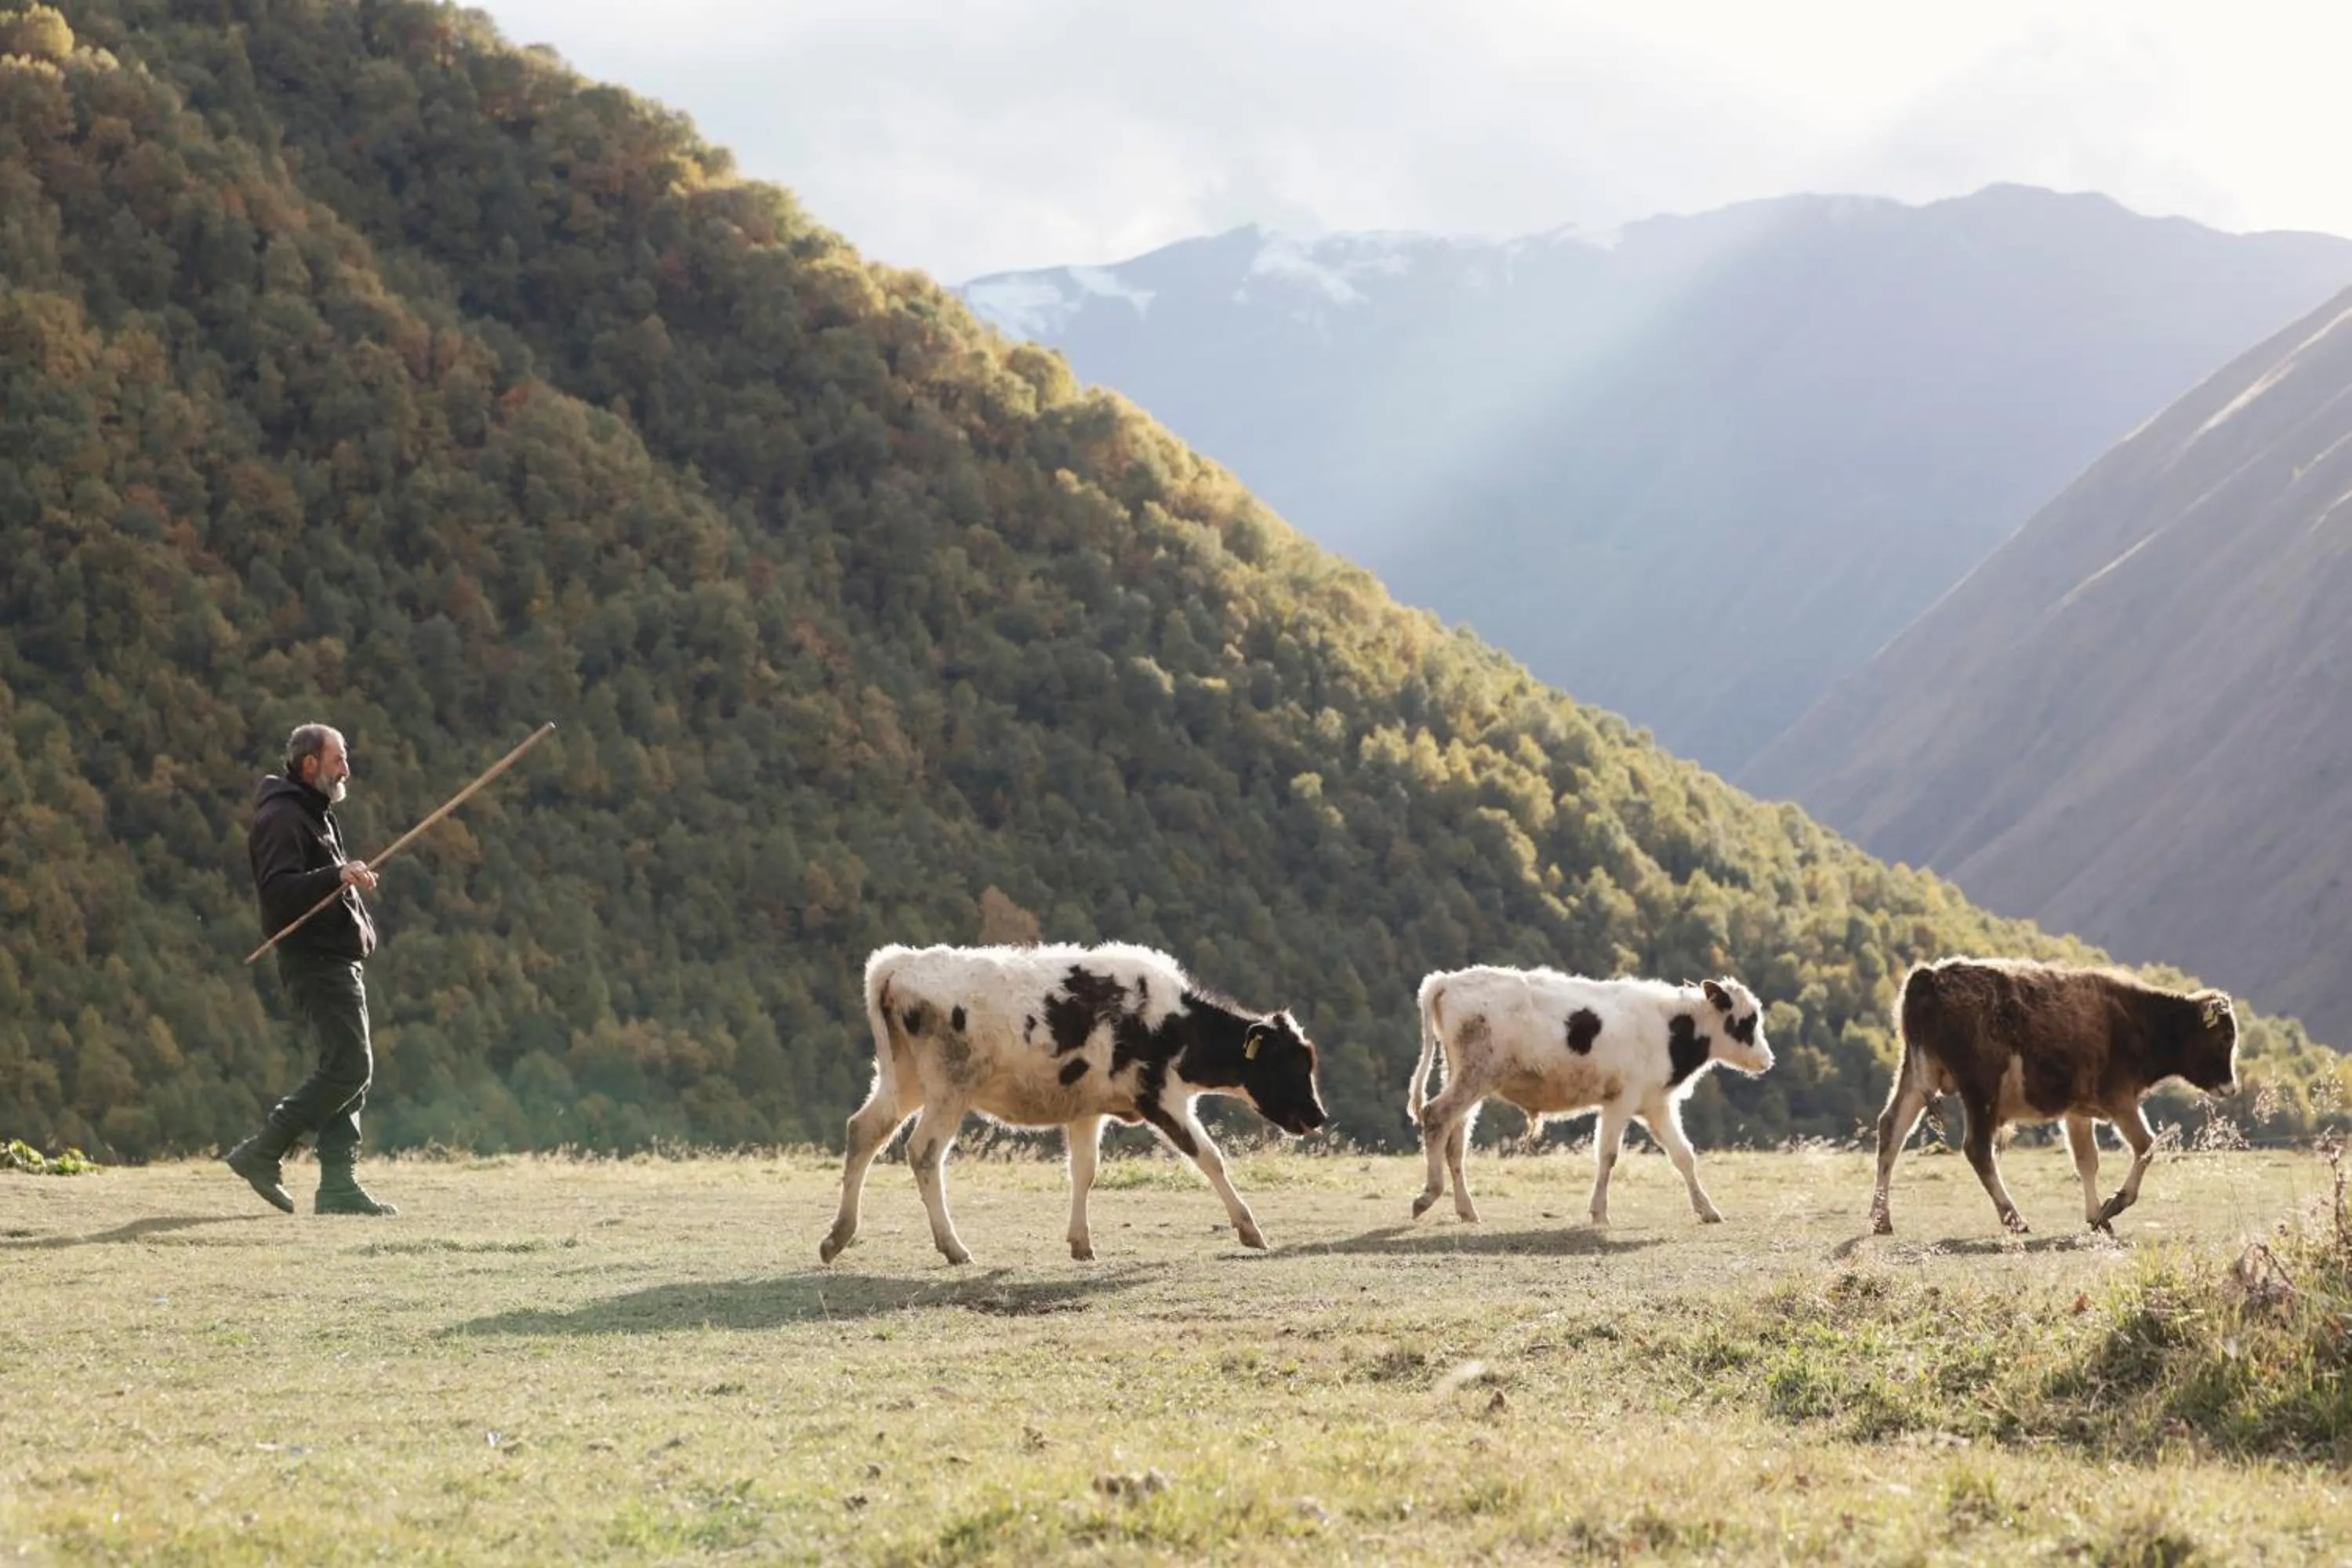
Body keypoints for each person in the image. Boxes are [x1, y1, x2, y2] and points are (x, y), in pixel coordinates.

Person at [224, 723, 399, 1218]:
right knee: (349, 1066)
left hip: (335, 961)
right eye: (339, 759)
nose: (347, 768)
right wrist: (336, 874)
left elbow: (317, 885)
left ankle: (339, 1187)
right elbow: (278, 893)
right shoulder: (283, 818)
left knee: (351, 1071)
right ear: (310, 766)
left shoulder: (314, 813)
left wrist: (340, 877)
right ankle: (264, 1150)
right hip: (314, 961)